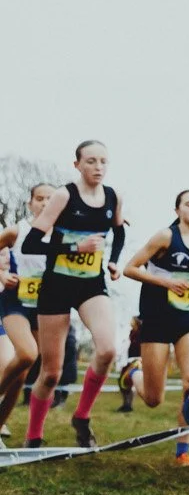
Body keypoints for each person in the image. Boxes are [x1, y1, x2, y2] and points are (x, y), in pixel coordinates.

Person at [25, 142, 126, 449]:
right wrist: (73, 248)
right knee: (52, 373)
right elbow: (32, 243)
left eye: (103, 161)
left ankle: (81, 417)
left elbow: (118, 231)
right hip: (57, 285)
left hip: (91, 285)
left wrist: (113, 260)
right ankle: (33, 436)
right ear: (77, 164)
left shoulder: (113, 196)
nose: (98, 167)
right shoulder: (64, 195)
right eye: (91, 161)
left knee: (108, 350)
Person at [121, 189, 189, 467]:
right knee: (153, 398)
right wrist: (167, 283)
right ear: (178, 210)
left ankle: (182, 452)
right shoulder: (166, 237)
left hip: (188, 322)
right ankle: (132, 372)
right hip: (157, 320)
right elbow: (130, 268)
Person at [0, 182, 55, 441]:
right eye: (40, 198)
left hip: (45, 308)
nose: (45, 203)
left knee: (21, 375)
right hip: (16, 303)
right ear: (30, 204)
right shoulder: (17, 231)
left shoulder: (65, 235)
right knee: (26, 354)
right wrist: (2, 274)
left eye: (50, 199)